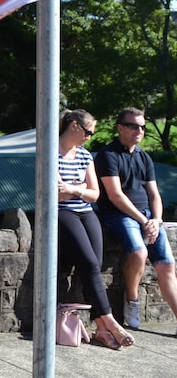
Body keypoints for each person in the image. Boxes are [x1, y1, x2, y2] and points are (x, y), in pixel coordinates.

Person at [56, 109, 134, 349]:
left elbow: (94, 194)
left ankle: (100, 328)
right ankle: (110, 321)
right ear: (73, 125)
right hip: (63, 213)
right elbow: (54, 195)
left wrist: (74, 189)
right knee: (89, 263)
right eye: (88, 132)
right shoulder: (50, 153)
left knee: (94, 264)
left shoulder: (85, 156)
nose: (89, 137)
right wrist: (78, 188)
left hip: (86, 212)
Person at [95, 107, 177, 331]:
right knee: (139, 252)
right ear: (120, 128)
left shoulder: (144, 157)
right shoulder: (107, 155)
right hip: (119, 215)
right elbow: (115, 195)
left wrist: (157, 220)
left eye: (142, 126)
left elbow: (154, 194)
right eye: (133, 126)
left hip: (148, 217)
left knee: (167, 265)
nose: (139, 130)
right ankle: (131, 301)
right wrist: (144, 220)